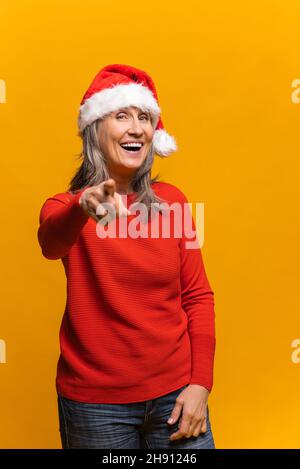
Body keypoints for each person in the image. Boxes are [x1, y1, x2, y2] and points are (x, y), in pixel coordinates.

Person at [37, 64, 216, 449]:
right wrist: (82, 208)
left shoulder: (172, 202)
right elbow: (50, 243)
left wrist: (200, 383)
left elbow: (198, 296)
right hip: (95, 407)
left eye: (145, 117)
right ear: (94, 130)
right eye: (122, 116)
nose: (137, 128)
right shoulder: (66, 207)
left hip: (176, 396)